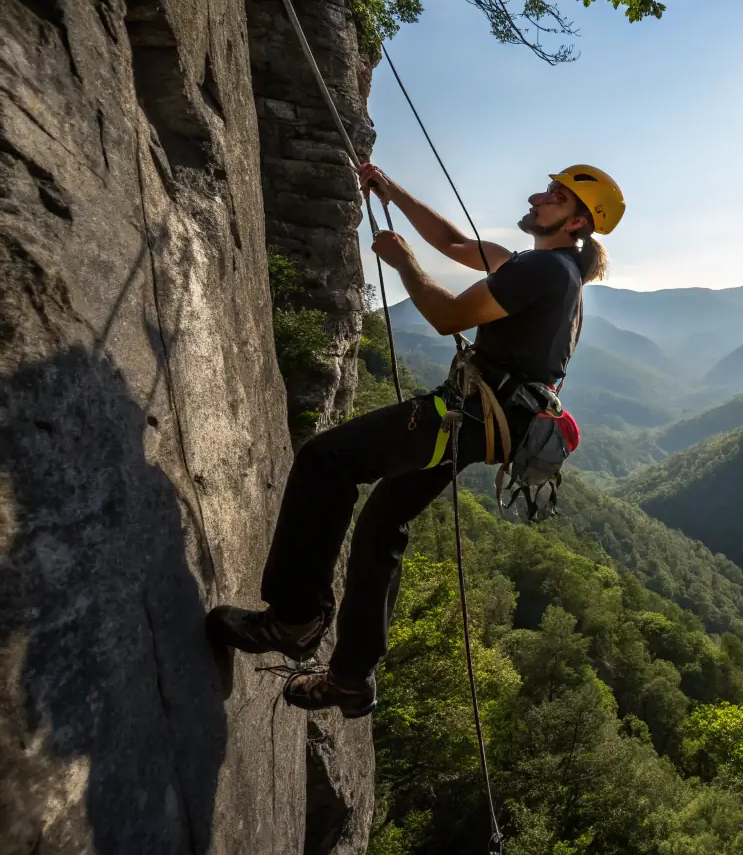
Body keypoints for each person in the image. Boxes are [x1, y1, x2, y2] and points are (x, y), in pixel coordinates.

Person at [207, 162, 625, 716]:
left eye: (554, 195)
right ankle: (350, 679)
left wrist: (404, 263)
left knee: (324, 460)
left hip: (464, 416)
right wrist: (391, 189)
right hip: (488, 423)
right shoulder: (550, 270)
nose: (536, 195)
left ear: (576, 222)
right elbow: (453, 243)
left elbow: (449, 316)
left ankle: (295, 618)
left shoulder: (544, 272)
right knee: (382, 523)